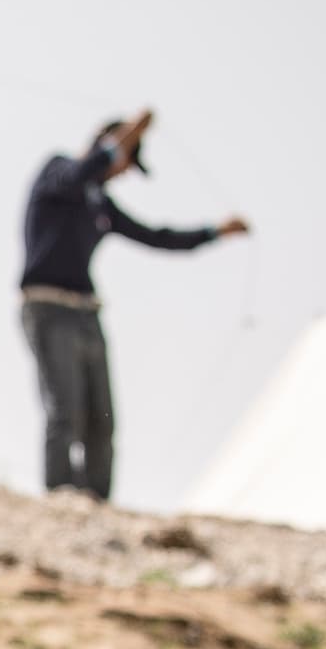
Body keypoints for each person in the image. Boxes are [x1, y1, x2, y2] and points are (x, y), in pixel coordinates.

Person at [20, 108, 249, 500]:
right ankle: (60, 495)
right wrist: (123, 139)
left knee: (101, 418)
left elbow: (155, 236)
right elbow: (78, 173)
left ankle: (96, 499)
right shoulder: (59, 172)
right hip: (47, 307)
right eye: (126, 159)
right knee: (65, 410)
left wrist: (214, 233)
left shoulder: (99, 204)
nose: (123, 171)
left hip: (87, 312)